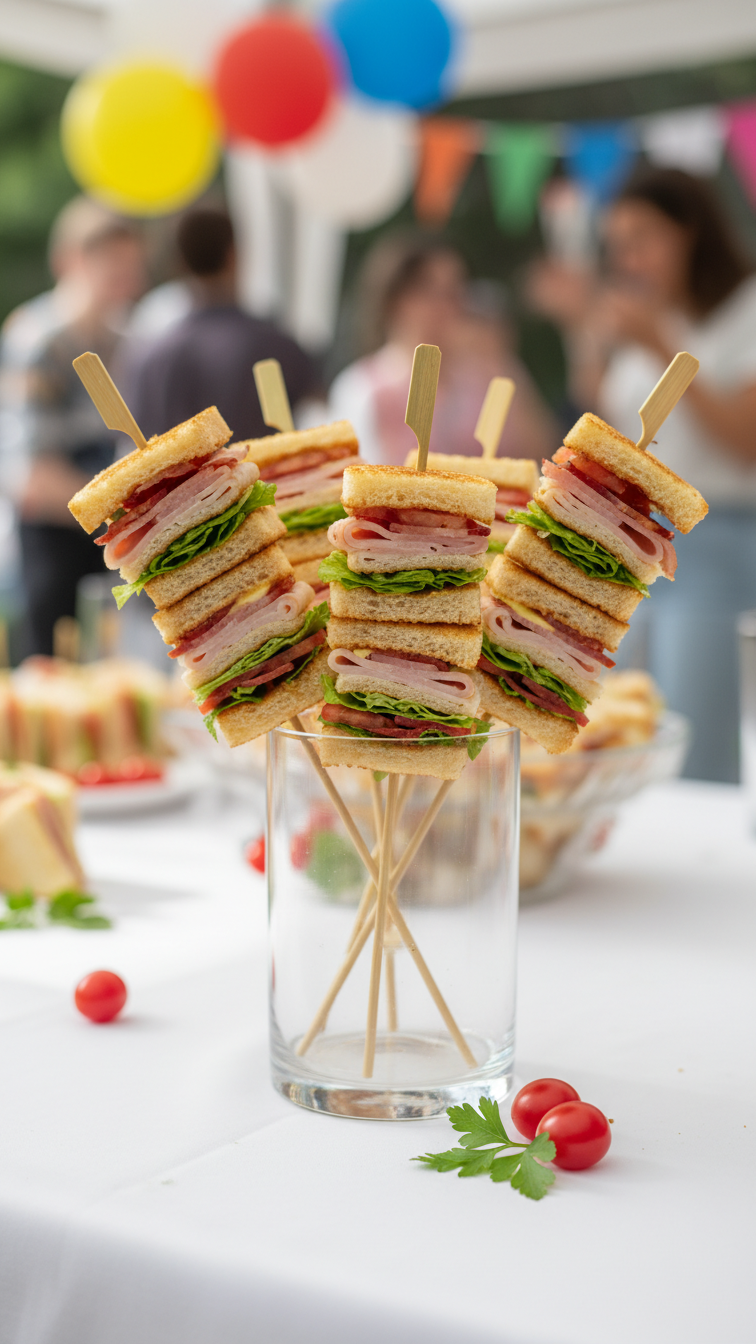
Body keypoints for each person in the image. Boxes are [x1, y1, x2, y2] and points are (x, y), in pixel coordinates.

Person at [529, 167, 756, 781]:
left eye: (642, 238)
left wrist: (659, 343)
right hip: (632, 546)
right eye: (617, 243)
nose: (627, 257)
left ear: (691, 232)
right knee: (620, 729)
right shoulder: (645, 319)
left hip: (717, 542)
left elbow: (746, 442)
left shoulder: (743, 311)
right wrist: (582, 328)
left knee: (692, 744)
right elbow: (613, 417)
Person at [18, 214, 146, 655]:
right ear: (72, 260)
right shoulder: (40, 341)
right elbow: (35, 475)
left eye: (131, 265)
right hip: (55, 536)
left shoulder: (124, 340)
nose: (126, 278)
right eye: (114, 263)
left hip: (103, 535)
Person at [328, 234, 556, 466]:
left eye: (454, 291)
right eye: (427, 290)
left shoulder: (485, 375)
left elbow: (542, 453)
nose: (445, 305)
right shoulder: (363, 387)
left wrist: (502, 364)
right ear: (394, 298)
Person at [120, 209, 321, 442]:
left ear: (180, 262)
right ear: (233, 255)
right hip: (267, 477)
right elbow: (318, 415)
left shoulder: (149, 357)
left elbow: (132, 446)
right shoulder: (277, 347)